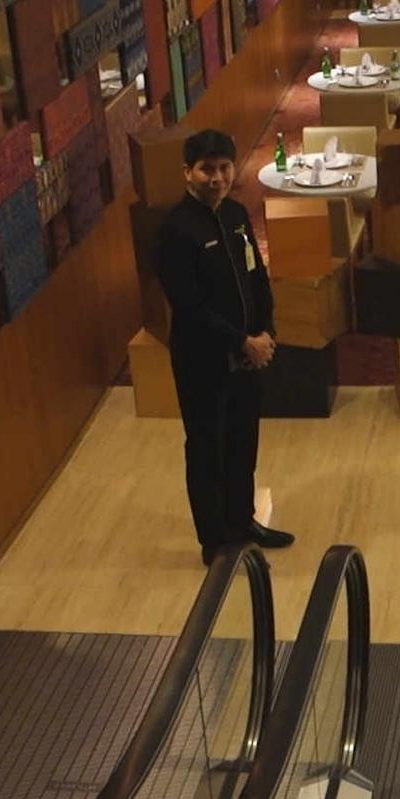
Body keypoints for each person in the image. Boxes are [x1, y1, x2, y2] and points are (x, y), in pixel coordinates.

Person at [155, 130, 296, 564]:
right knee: (206, 448)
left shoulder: (235, 214)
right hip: (204, 361)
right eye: (206, 169)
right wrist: (241, 341)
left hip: (247, 357)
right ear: (188, 172)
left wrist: (265, 331)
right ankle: (214, 542)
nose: (216, 178)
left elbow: (256, 277)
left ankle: (242, 520)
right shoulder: (175, 230)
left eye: (223, 168)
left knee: (242, 442)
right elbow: (188, 305)